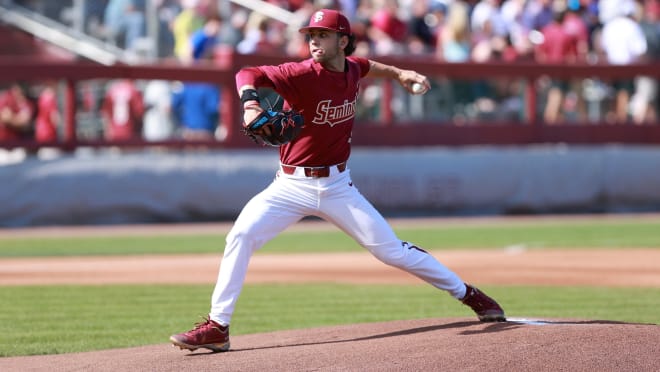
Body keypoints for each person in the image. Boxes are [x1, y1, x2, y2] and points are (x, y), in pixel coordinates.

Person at [169, 8, 506, 353]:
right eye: (311, 36)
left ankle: (469, 294)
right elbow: (247, 72)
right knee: (240, 235)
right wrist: (250, 104)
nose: (314, 41)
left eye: (323, 35)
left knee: (392, 251)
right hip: (289, 186)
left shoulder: (352, 68)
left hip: (337, 187)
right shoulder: (301, 73)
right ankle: (218, 327)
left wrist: (400, 73)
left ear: (343, 41)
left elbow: (368, 66)